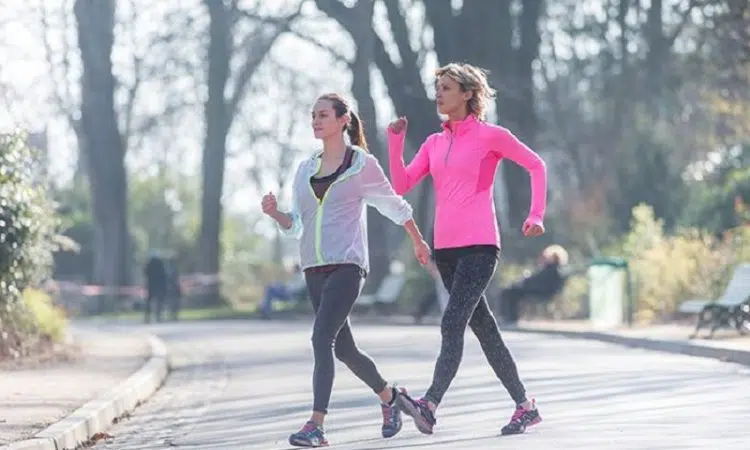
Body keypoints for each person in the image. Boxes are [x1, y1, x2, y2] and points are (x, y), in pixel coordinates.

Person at [386, 62, 548, 436]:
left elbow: (536, 165)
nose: (439, 93)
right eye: (437, 87)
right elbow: (402, 184)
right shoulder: (433, 142)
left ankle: (429, 404)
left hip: (480, 246)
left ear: (468, 94)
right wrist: (395, 143)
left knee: (452, 321)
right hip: (446, 250)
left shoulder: (491, 136)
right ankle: (526, 407)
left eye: (446, 87)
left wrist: (536, 214)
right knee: (486, 330)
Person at [261, 92, 431, 448]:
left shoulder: (361, 165)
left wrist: (417, 241)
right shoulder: (305, 168)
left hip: (348, 266)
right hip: (314, 269)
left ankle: (316, 425)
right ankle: (392, 398)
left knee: (322, 338)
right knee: (344, 349)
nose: (316, 121)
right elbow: (296, 226)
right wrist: (275, 213)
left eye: (323, 114)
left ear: (343, 120)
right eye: (312, 115)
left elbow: (394, 206)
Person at [497, 245, 569, 325]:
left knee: (509, 292)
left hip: (540, 292)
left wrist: (526, 283)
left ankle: (510, 318)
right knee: (511, 291)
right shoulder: (554, 269)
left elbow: (538, 281)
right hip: (537, 290)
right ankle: (510, 318)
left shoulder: (552, 270)